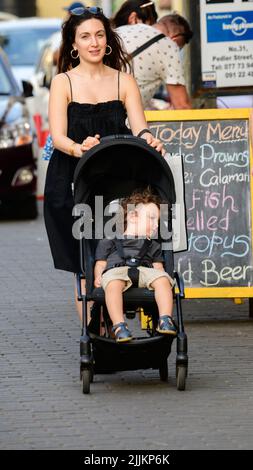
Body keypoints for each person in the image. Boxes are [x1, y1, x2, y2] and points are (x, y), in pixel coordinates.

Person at [44, 6, 164, 321]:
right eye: (85, 36)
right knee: (82, 264)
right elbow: (58, 137)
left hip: (115, 182)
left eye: (99, 34)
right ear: (73, 44)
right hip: (71, 179)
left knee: (115, 255)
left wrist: (149, 138)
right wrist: (78, 147)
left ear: (107, 40)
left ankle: (113, 323)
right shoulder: (63, 83)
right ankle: (93, 339)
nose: (94, 42)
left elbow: (140, 126)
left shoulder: (124, 81)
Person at [94, 188, 177, 342]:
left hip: (145, 272)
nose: (155, 226)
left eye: (157, 222)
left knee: (163, 280)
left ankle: (165, 319)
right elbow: (101, 263)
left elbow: (158, 268)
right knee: (112, 283)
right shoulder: (110, 241)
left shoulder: (153, 245)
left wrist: (163, 278)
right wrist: (98, 276)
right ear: (132, 216)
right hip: (116, 271)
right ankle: (119, 325)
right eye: (151, 218)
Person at [115, 10, 192, 109]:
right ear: (175, 39)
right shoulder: (169, 46)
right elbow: (182, 106)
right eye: (179, 48)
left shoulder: (124, 29)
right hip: (117, 117)